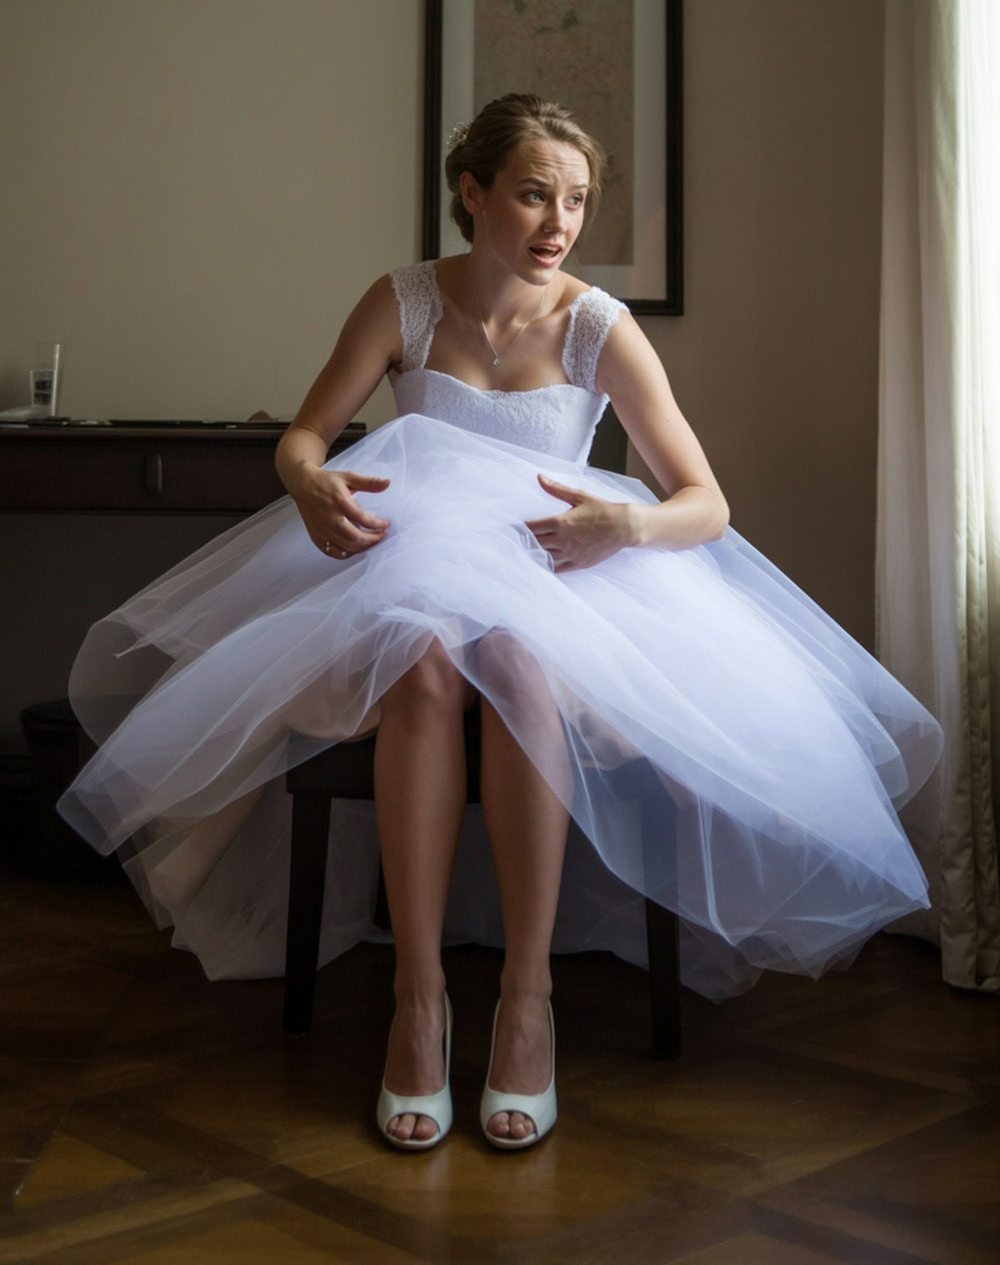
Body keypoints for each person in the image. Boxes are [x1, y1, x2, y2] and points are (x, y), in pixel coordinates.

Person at [59, 93, 942, 1156]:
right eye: (533, 194)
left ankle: (528, 1002)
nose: (558, 222)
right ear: (471, 194)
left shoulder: (595, 327)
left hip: (559, 575)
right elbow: (305, 434)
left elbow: (706, 500)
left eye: (575, 201)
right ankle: (419, 1000)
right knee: (424, 664)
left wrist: (625, 522)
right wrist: (306, 487)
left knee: (521, 662)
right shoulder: (403, 302)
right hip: (407, 574)